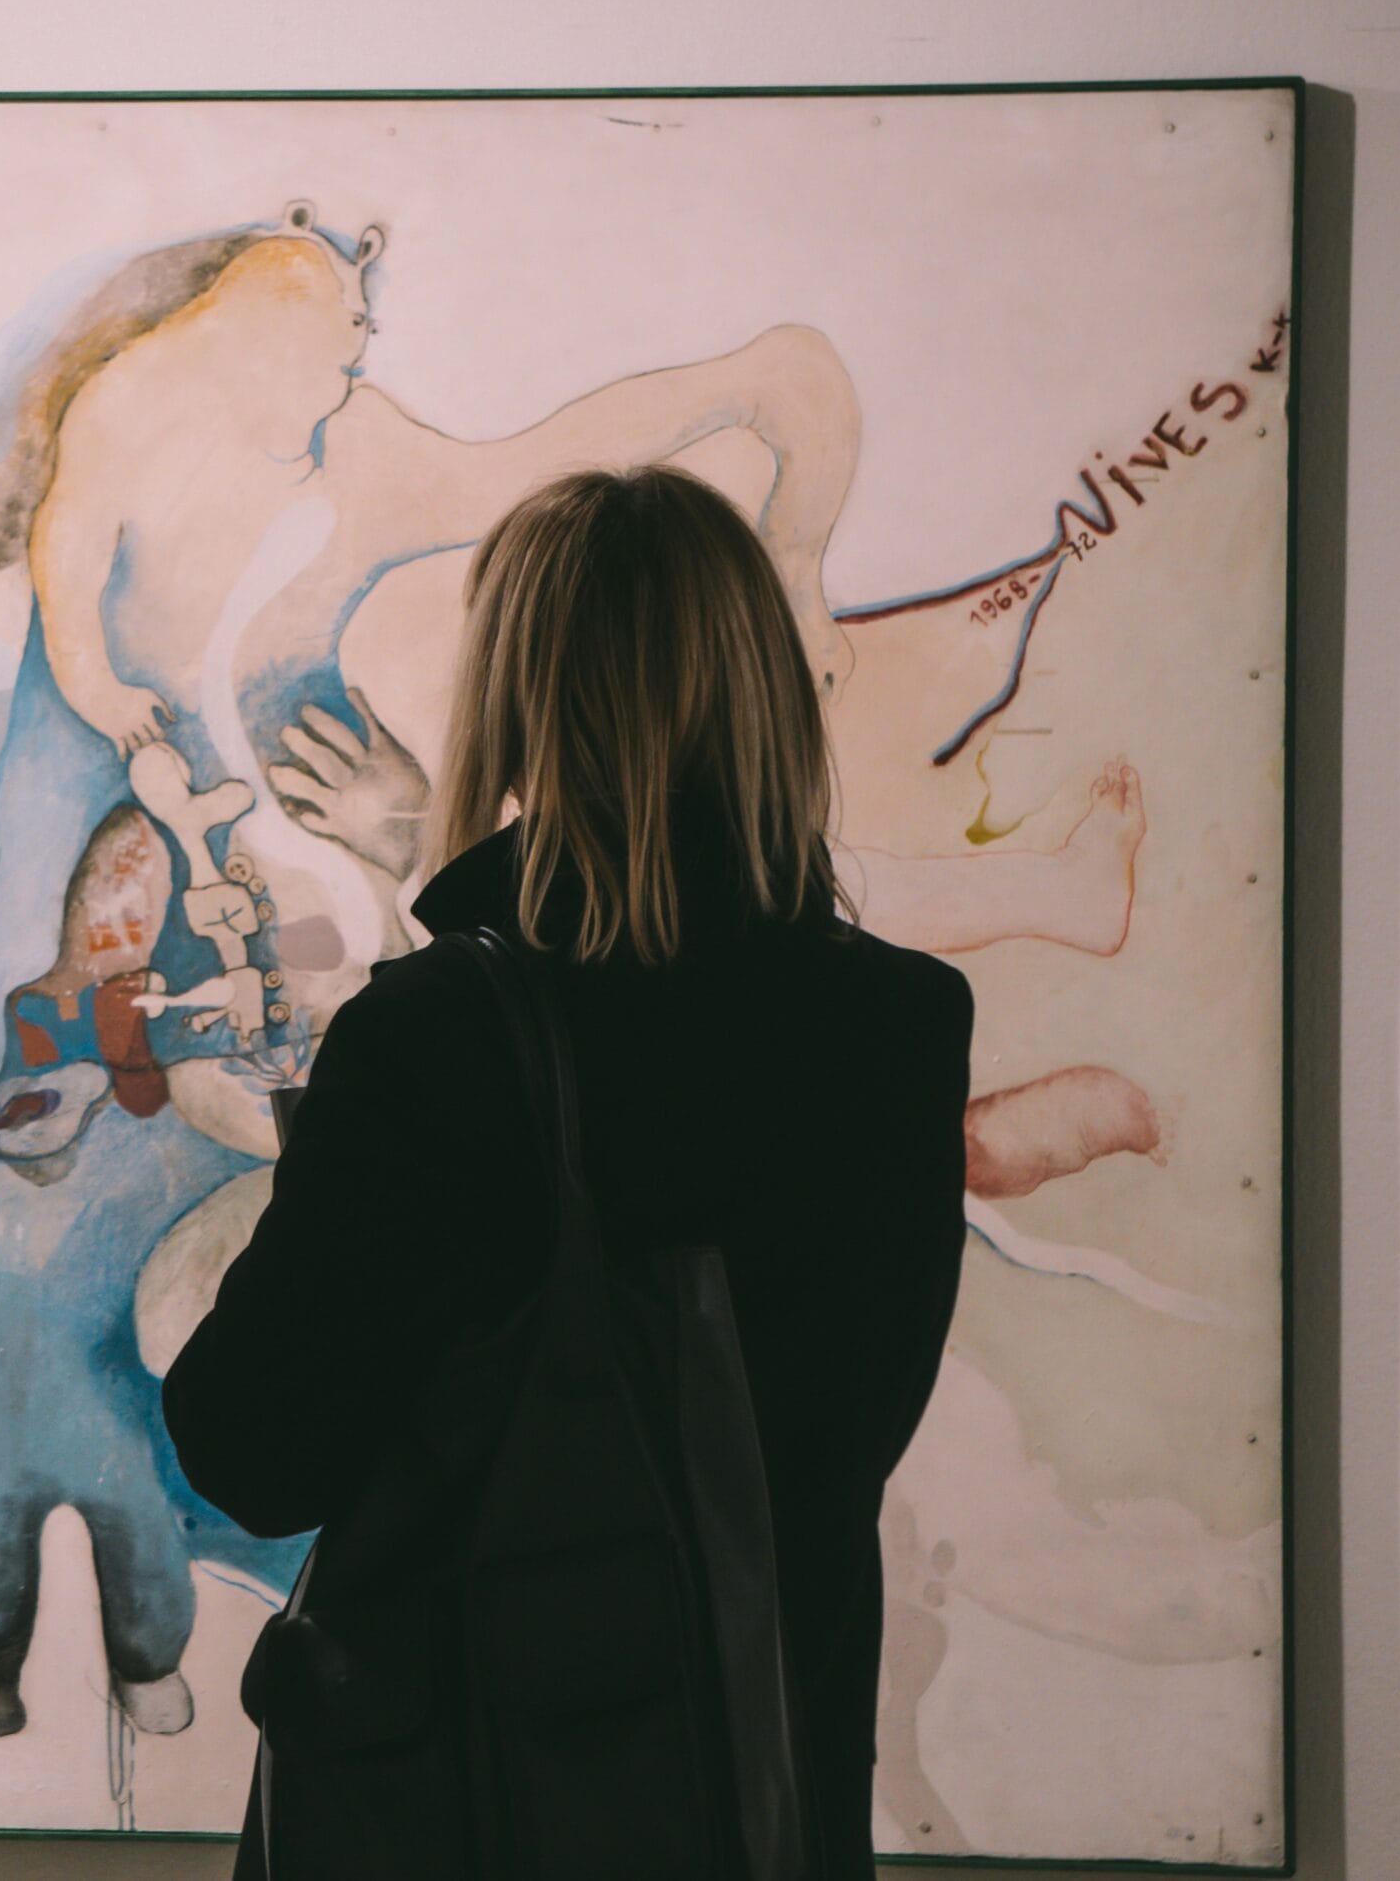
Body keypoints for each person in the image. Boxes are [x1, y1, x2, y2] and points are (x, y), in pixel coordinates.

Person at [161, 464, 975, 1878]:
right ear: (767, 690)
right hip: (763, 1793)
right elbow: (842, 1428)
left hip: (472, 1807)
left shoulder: (442, 1041)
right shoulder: (899, 1028)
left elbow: (255, 1445)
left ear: (523, 704)